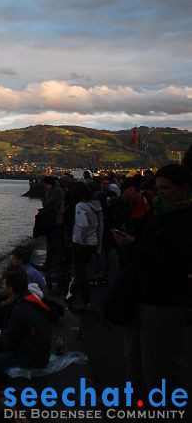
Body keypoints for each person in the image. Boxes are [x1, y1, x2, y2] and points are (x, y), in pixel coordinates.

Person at [113, 163, 192, 393]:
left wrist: (134, 245)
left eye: (165, 189)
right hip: (143, 294)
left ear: (184, 188)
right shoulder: (158, 211)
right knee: (135, 361)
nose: (159, 194)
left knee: (161, 369)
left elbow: (174, 261)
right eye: (157, 189)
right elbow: (147, 245)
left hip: (167, 300)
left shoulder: (185, 219)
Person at [0, 267, 53, 371]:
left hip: (30, 358)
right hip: (36, 350)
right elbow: (15, 334)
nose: (2, 286)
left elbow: (8, 341)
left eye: (4, 284)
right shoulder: (27, 299)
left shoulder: (19, 309)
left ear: (11, 288)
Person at [69, 181, 103, 311]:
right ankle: (79, 295)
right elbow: (100, 226)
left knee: (80, 272)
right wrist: (98, 243)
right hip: (92, 242)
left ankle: (84, 300)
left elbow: (83, 225)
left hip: (82, 244)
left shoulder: (80, 206)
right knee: (84, 271)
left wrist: (81, 242)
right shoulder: (95, 205)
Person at [40, 176, 65, 271]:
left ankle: (57, 262)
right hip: (53, 219)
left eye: (45, 184)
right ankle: (51, 262)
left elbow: (47, 203)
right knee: (51, 241)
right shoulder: (53, 190)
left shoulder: (56, 191)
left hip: (55, 219)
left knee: (55, 241)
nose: (44, 186)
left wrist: (44, 200)